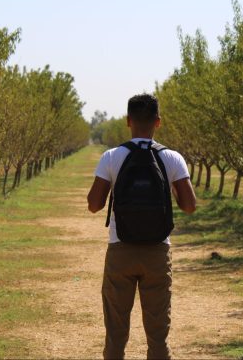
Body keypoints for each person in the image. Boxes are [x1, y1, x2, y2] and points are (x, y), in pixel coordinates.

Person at [87, 93, 196, 359]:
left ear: (128, 121)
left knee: (116, 330)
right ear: (158, 122)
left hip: (120, 249)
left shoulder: (112, 156)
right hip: (158, 251)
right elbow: (190, 205)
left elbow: (94, 204)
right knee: (158, 334)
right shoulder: (172, 158)